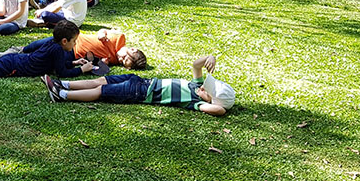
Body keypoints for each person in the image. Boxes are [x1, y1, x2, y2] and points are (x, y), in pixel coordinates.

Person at [42, 55, 235, 116]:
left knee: (101, 91)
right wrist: (210, 58)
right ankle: (63, 84)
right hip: (141, 81)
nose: (203, 88)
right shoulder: (197, 85)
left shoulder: (195, 102)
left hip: (140, 92)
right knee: (100, 81)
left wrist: (213, 101)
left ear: (210, 99)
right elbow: (195, 65)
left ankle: (62, 95)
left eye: (207, 91)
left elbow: (219, 110)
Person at [73, 29, 147, 68]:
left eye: (122, 62)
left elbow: (94, 61)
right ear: (132, 49)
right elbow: (104, 30)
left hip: (74, 54)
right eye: (124, 57)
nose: (120, 59)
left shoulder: (114, 61)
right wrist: (102, 33)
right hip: (76, 38)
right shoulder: (119, 38)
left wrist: (101, 63)